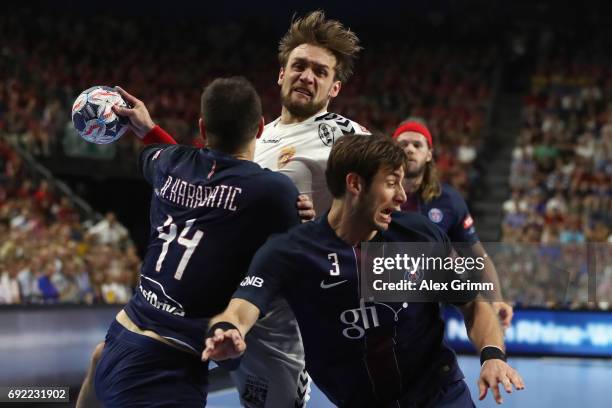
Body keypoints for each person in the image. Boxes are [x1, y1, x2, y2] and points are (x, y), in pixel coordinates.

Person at [203, 134, 525, 407]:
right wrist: (228, 330)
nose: (401, 197)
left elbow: (473, 303)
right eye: (390, 184)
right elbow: (242, 308)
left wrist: (493, 355)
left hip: (438, 396)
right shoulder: (291, 251)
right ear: (355, 184)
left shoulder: (418, 236)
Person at [90, 77, 314, 407]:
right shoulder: (274, 192)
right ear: (261, 128)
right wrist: (307, 219)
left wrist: (148, 129)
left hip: (118, 340)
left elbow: (163, 155)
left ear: (202, 128)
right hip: (166, 373)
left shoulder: (168, 163)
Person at [232, 11, 370, 407]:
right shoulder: (258, 134)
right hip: (223, 288)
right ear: (281, 74)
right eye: (299, 66)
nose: (307, 76)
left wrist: (328, 225)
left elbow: (388, 190)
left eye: (319, 71)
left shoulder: (343, 135)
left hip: (278, 312)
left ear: (334, 87)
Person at [392, 120, 514, 328]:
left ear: (429, 154)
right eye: (403, 144)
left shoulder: (449, 201)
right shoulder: (373, 194)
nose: (409, 149)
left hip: (425, 318)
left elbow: (478, 257)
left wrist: (496, 298)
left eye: (417, 145)